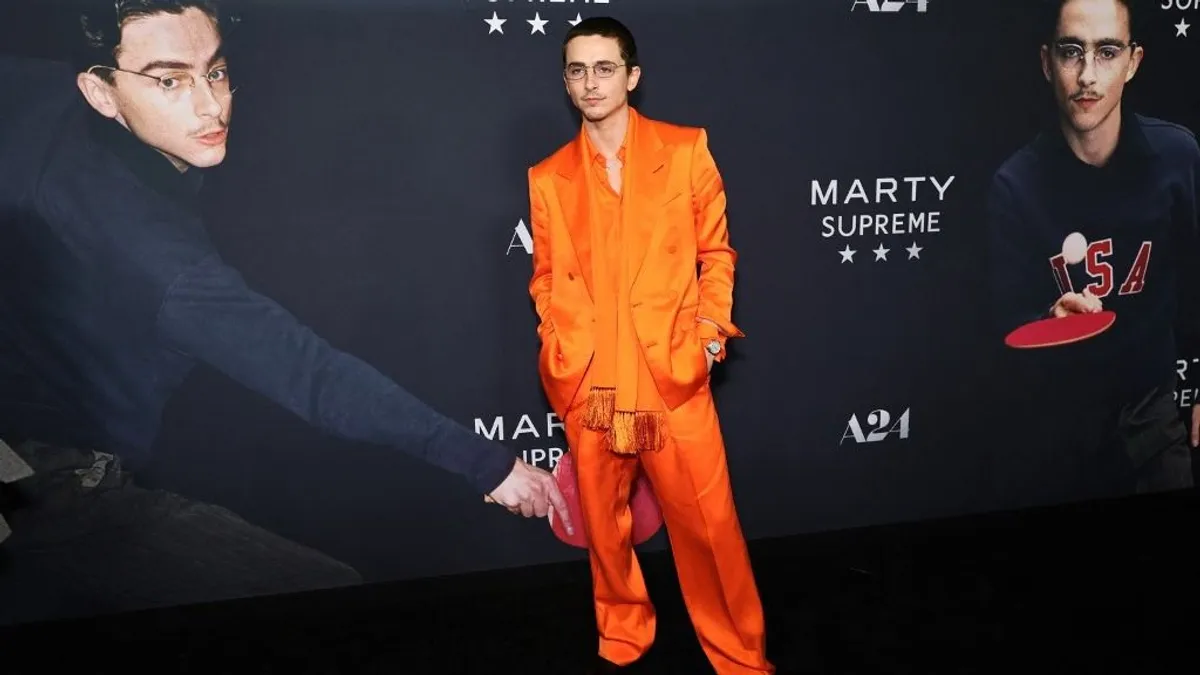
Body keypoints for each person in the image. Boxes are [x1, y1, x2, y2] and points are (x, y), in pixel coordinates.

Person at [0, 0, 571, 624]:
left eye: (215, 72)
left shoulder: (32, 96)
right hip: (53, 486)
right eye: (169, 81)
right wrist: (490, 465)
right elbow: (313, 376)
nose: (210, 107)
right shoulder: (160, 262)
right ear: (100, 91)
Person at [526, 17, 774, 675]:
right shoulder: (548, 177)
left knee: (709, 528)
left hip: (670, 372)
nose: (591, 82)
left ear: (632, 76)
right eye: (577, 70)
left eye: (604, 68)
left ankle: (739, 651)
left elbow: (716, 254)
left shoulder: (685, 150)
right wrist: (558, 336)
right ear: (566, 82)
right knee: (604, 529)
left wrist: (708, 334)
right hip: (590, 381)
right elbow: (545, 275)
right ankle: (622, 630)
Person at [985, 0, 1198, 501]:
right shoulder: (1014, 185)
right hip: (1055, 437)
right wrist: (1048, 319)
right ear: (1047, 63)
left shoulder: (1178, 157)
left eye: (1107, 52)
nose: (1087, 76)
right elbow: (1005, 325)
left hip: (1152, 426)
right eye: (1070, 52)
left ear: (1133, 62)